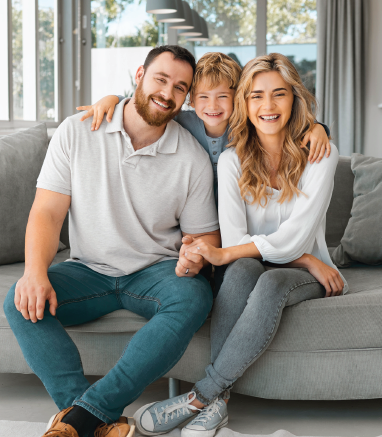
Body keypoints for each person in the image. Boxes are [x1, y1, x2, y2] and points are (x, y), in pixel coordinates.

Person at [3, 45, 220, 437]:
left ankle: (79, 420)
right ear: (139, 75)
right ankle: (91, 417)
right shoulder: (77, 130)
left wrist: (195, 254)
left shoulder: (191, 157)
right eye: (160, 79)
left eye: (179, 87)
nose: (167, 93)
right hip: (88, 269)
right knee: (20, 300)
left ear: (185, 98)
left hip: (155, 272)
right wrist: (35, 273)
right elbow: (47, 213)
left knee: (195, 296)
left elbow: (204, 236)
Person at [128, 53, 349, 437]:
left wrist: (285, 256)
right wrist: (305, 258)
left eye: (279, 94)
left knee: (271, 280)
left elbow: (287, 238)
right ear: (245, 104)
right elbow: (233, 239)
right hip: (296, 262)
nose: (268, 106)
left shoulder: (320, 155)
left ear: (294, 100)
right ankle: (218, 407)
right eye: (257, 96)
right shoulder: (232, 160)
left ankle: (202, 397)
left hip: (302, 274)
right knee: (245, 268)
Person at [78, 52, 332, 296]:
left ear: (237, 99)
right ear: (190, 100)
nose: (212, 106)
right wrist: (112, 99)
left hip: (235, 231)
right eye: (203, 97)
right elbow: (147, 108)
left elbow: (279, 120)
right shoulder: (182, 122)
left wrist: (318, 127)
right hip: (196, 224)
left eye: (223, 96)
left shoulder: (245, 127)